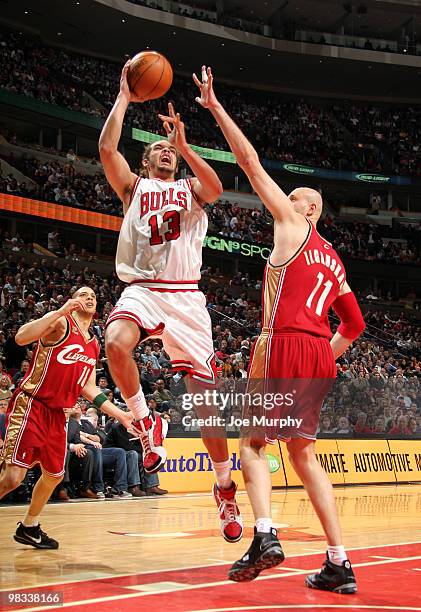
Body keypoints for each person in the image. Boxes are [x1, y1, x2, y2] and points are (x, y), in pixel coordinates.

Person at [193, 66, 365, 591]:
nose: (281, 202)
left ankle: (264, 533)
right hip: (317, 354)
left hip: (282, 344)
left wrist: (216, 109)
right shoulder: (335, 260)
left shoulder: (293, 226)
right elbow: (354, 325)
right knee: (304, 452)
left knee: (251, 445)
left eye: (292, 198)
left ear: (309, 210)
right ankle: (339, 561)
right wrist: (326, 355)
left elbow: (249, 163)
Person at [98, 59, 243, 542]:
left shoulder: (190, 190)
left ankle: (223, 487)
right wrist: (124, 95)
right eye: (158, 148)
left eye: (170, 151)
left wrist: (186, 144)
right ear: (145, 161)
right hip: (143, 288)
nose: (164, 153)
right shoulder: (133, 189)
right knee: (115, 341)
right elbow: (105, 147)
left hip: (185, 299)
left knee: (207, 408)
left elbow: (218, 188)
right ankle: (145, 422)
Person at [0, 287, 134, 549]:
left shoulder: (93, 344)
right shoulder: (61, 322)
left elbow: (89, 387)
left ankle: (29, 527)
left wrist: (121, 415)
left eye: (94, 296)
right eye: (83, 294)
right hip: (32, 404)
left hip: (57, 414)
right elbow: (20, 337)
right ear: (72, 300)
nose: (90, 297)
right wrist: (59, 311)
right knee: (13, 478)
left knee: (53, 475)